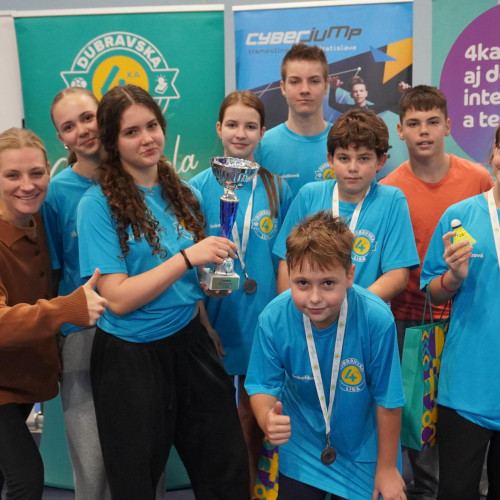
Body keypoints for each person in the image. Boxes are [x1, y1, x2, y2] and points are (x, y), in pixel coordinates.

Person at [77, 84, 249, 500]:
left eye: (151, 126)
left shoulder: (185, 194)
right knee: (135, 484)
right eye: (131, 132)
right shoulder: (96, 205)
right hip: (130, 360)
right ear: (112, 143)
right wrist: (187, 258)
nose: (147, 138)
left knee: (227, 473)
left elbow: (189, 280)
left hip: (190, 345)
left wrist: (207, 294)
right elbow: (117, 298)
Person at [380, 85, 493, 500]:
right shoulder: (390, 189)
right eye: (413, 123)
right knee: (421, 433)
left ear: (448, 125)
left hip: (468, 321)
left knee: (470, 432)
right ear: (400, 131)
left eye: (432, 122)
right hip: (411, 323)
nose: (423, 131)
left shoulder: (478, 178)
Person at [245, 211, 406, 500]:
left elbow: (388, 400)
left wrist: (386, 468)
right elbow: (262, 384)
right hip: (303, 445)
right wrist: (266, 417)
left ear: (349, 275)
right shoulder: (273, 318)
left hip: (364, 448)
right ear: (289, 275)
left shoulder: (376, 319)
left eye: (328, 283)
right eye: (302, 283)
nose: (315, 297)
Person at [190, 90, 292, 494]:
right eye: (232, 124)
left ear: (263, 132)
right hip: (213, 318)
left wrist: (281, 320)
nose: (240, 133)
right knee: (214, 419)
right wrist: (201, 321)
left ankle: (251, 490)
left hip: (260, 319)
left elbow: (284, 260)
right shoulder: (195, 189)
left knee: (253, 417)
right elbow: (186, 263)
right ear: (218, 129)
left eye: (250, 126)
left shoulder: (276, 189)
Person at [0, 127, 106, 500]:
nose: (27, 185)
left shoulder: (41, 223)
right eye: (12, 175)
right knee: (26, 480)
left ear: (50, 171)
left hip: (20, 379)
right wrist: (69, 308)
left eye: (36, 173)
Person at [419, 125, 500, 500]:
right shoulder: (460, 216)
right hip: (467, 389)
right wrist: (453, 276)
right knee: (455, 491)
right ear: (495, 153)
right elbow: (433, 293)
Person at [42, 87, 113, 500]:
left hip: (139, 327)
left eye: (88, 117)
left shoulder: (137, 175)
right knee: (92, 458)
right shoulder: (55, 193)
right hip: (82, 332)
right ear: (61, 139)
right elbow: (52, 271)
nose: (82, 130)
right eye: (69, 126)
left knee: (142, 446)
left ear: (104, 114)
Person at [274, 109, 419, 301]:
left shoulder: (392, 201)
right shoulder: (309, 195)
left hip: (364, 314)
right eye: (344, 158)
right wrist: (293, 309)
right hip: (310, 310)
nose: (352, 168)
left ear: (381, 161)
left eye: (363, 158)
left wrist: (352, 308)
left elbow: (397, 274)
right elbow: (287, 261)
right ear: (330, 159)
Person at [254, 43, 332, 197]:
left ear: (326, 86)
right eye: (295, 82)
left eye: (314, 81)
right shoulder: (262, 147)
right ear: (283, 87)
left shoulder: (345, 143)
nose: (304, 90)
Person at [329, 76, 410, 114]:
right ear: (351, 95)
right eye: (355, 91)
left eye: (361, 91)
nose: (358, 94)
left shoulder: (372, 109)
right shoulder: (348, 109)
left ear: (366, 93)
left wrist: (403, 93)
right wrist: (333, 89)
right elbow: (332, 103)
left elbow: (391, 103)